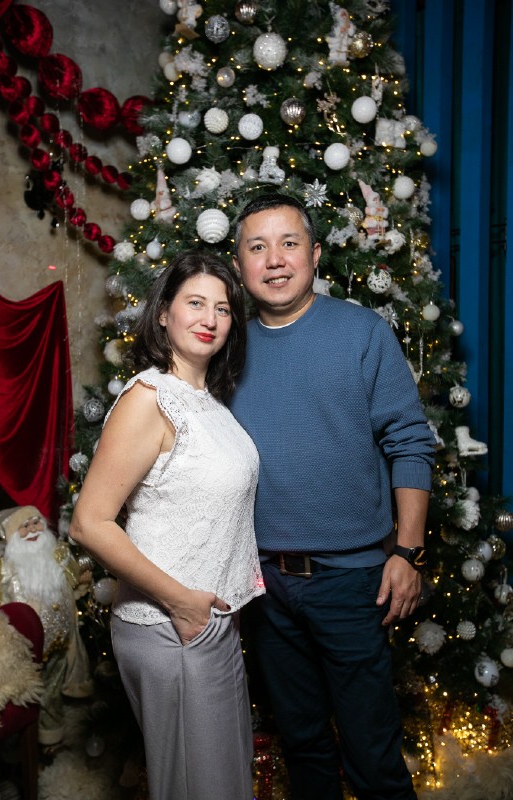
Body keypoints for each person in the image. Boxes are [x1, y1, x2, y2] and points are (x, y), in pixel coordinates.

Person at [229, 193, 437, 800]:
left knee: (373, 755)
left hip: (351, 582)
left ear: (315, 254)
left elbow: (410, 443)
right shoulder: (226, 348)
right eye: (257, 247)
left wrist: (408, 552)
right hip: (264, 585)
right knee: (303, 746)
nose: (275, 259)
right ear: (239, 264)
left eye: (289, 243)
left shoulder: (362, 333)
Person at [69, 251, 264, 800]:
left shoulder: (208, 401)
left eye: (222, 308)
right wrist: (182, 604)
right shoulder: (150, 399)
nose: (210, 319)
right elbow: (89, 523)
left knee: (223, 784)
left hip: (209, 620)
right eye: (195, 303)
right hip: (171, 624)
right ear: (163, 313)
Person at [0, 505, 93, 746]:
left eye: (36, 522)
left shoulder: (57, 557)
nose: (32, 530)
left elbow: (75, 578)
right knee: (26, 698)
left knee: (54, 692)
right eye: (24, 526)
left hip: (61, 644)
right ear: (11, 535)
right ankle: (24, 746)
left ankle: (51, 739)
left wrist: (83, 574)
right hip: (24, 654)